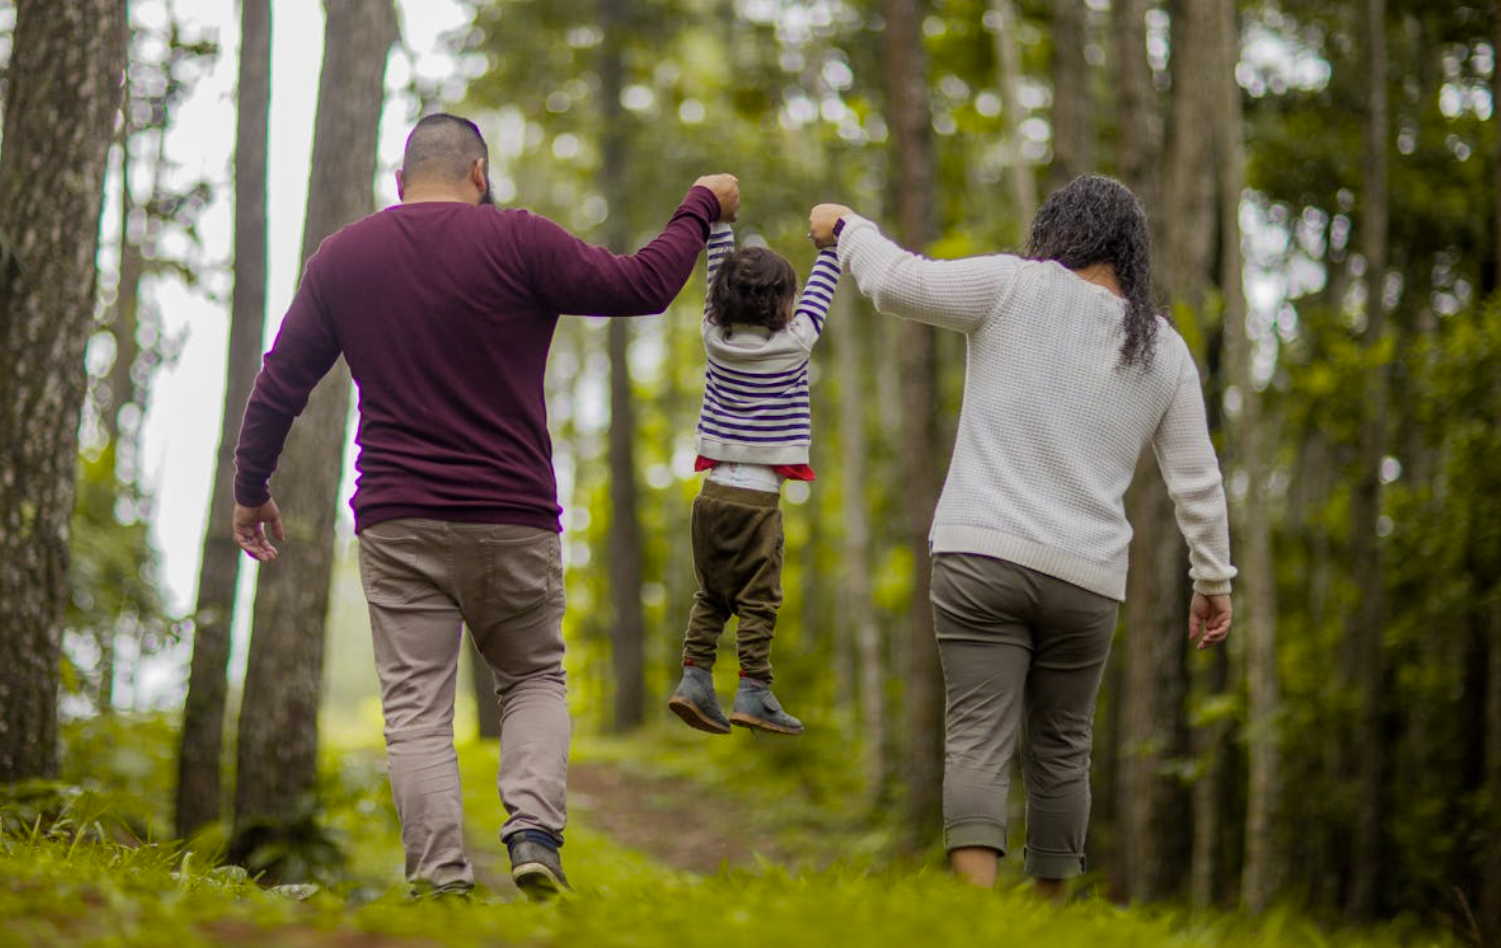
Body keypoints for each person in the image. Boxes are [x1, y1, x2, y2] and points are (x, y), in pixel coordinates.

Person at [231, 112, 739, 899]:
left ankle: (439, 880)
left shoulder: (344, 257)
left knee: (415, 711)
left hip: (397, 518)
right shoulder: (519, 239)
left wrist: (250, 487)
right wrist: (699, 205)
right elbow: (643, 285)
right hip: (512, 513)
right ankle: (535, 832)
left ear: (400, 184)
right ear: (479, 172)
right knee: (533, 674)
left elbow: (281, 381)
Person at [807, 175, 1235, 898]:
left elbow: (895, 284)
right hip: (1086, 579)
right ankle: (1044, 919)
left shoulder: (1010, 285)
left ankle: (977, 918)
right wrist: (1212, 581)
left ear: (1057, 231)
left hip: (980, 557)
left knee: (978, 734)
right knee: (1063, 749)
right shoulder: (1162, 349)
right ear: (1130, 252)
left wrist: (849, 226)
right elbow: (1196, 479)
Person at [666, 217, 840, 737]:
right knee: (758, 600)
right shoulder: (795, 342)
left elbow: (716, 270)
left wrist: (720, 223)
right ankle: (753, 689)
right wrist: (830, 245)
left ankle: (694, 678)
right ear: (783, 305)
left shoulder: (712, 338)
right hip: (757, 503)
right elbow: (822, 289)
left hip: (712, 496)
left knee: (712, 595)